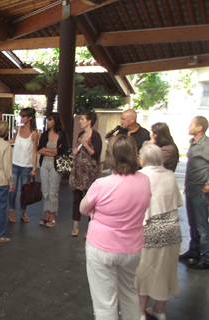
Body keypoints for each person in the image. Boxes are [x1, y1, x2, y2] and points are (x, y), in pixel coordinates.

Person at [80, 135, 151, 320]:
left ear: (111, 156)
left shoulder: (102, 184)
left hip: (101, 247)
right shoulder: (144, 181)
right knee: (129, 293)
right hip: (132, 248)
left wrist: (95, 211)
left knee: (105, 303)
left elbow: (83, 208)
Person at [136, 144, 183, 320]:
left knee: (144, 272)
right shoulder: (170, 175)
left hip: (150, 229)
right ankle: (159, 310)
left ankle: (140, 312)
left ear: (143, 159)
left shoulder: (142, 176)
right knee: (166, 271)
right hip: (173, 229)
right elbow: (177, 201)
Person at [180, 116, 209, 269]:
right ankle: (194, 252)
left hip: (200, 191)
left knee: (202, 227)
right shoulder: (193, 143)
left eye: (192, 124)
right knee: (193, 224)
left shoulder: (206, 144)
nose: (189, 126)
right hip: (190, 189)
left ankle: (206, 259)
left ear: (199, 128)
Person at [69, 110, 102, 237]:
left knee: (90, 201)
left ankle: (90, 228)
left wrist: (86, 145)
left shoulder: (96, 136)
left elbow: (96, 154)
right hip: (78, 172)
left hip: (90, 174)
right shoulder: (81, 134)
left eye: (83, 119)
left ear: (89, 121)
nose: (80, 121)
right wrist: (76, 151)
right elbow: (79, 148)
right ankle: (75, 225)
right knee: (76, 199)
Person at [37, 112, 68, 228]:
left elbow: (61, 151)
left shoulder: (62, 135)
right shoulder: (45, 134)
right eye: (47, 120)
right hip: (44, 164)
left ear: (55, 121)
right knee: (45, 191)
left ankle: (53, 216)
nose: (47, 122)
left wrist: (48, 150)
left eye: (50, 120)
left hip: (56, 166)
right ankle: (46, 214)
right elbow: (39, 150)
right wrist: (53, 151)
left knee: (53, 191)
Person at [8, 108, 38, 223]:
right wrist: (1, 141)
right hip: (15, 163)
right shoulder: (18, 128)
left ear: (30, 118)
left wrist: (34, 168)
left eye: (24, 116)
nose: (22, 118)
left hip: (27, 165)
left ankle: (23, 212)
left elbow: (35, 151)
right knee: (13, 189)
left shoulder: (34, 133)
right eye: (21, 115)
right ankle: (11, 212)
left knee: (24, 191)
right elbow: (14, 140)